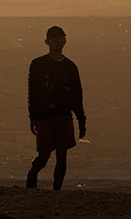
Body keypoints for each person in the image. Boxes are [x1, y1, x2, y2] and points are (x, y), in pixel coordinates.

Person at [26, 26, 86, 190]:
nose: (58, 40)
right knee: (44, 156)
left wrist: (81, 120)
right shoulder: (38, 64)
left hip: (64, 116)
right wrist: (33, 117)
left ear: (65, 40)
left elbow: (77, 94)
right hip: (44, 118)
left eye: (61, 37)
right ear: (47, 41)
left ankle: (56, 190)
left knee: (62, 154)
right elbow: (33, 92)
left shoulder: (70, 67)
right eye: (54, 37)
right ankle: (32, 176)